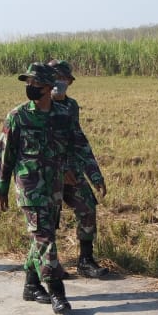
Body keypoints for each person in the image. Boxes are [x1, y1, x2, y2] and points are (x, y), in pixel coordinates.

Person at [0, 62, 87, 314]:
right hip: (29, 188)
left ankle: (31, 285)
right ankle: (57, 291)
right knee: (45, 239)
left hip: (54, 187)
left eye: (36, 84)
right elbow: (3, 154)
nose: (30, 87)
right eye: (28, 83)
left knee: (42, 236)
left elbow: (76, 145)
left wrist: (72, 169)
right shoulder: (18, 116)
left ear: (49, 87)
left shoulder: (62, 116)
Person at [46, 59, 110, 278]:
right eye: (54, 77)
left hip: (73, 171)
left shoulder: (71, 106)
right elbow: (41, 146)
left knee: (88, 207)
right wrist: (60, 170)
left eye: (63, 78)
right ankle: (49, 265)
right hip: (48, 174)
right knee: (48, 219)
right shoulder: (40, 106)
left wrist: (95, 174)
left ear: (70, 82)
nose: (58, 82)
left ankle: (85, 260)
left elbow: (79, 141)